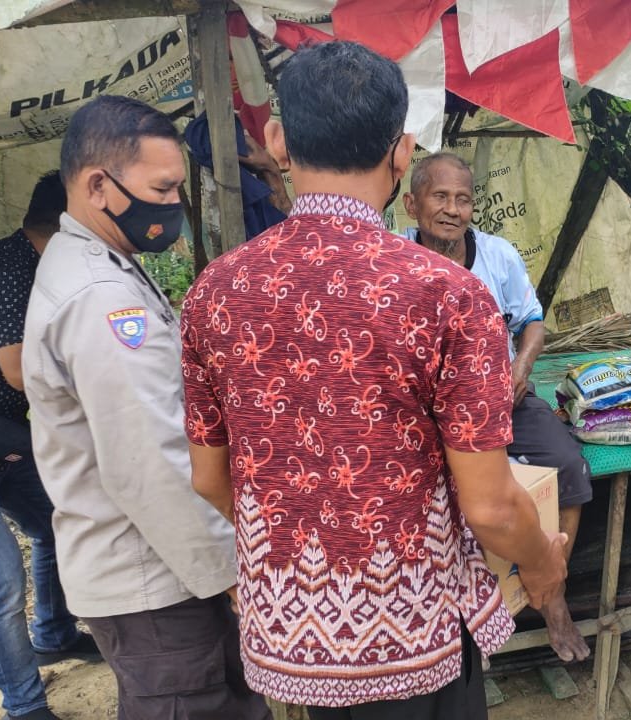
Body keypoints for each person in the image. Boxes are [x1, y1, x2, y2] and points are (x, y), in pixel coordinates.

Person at [181, 41, 568, 720]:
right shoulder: (446, 295)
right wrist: (541, 565)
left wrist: (306, 554)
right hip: (413, 632)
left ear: (276, 140)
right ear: (402, 153)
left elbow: (212, 480)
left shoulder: (214, 293)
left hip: (297, 633)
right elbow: (492, 508)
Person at [22, 95, 269, 719]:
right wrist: (234, 573)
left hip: (154, 571)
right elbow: (150, 464)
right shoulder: (102, 299)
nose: (171, 206)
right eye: (161, 188)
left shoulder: (99, 262)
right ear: (98, 185)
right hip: (155, 583)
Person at [401, 151, 593, 664]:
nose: (452, 209)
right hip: (430, 412)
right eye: (440, 197)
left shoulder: (498, 255)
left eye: (463, 199)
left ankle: (550, 595)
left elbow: (532, 321)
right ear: (411, 203)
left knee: (570, 468)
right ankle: (463, 620)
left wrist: (520, 369)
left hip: (504, 398)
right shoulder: (395, 258)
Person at [0, 172, 101, 720]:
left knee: (58, 524)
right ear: (68, 218)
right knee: (0, 582)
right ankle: (24, 706)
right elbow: (20, 373)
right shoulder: (12, 270)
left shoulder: (34, 263)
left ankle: (54, 633)